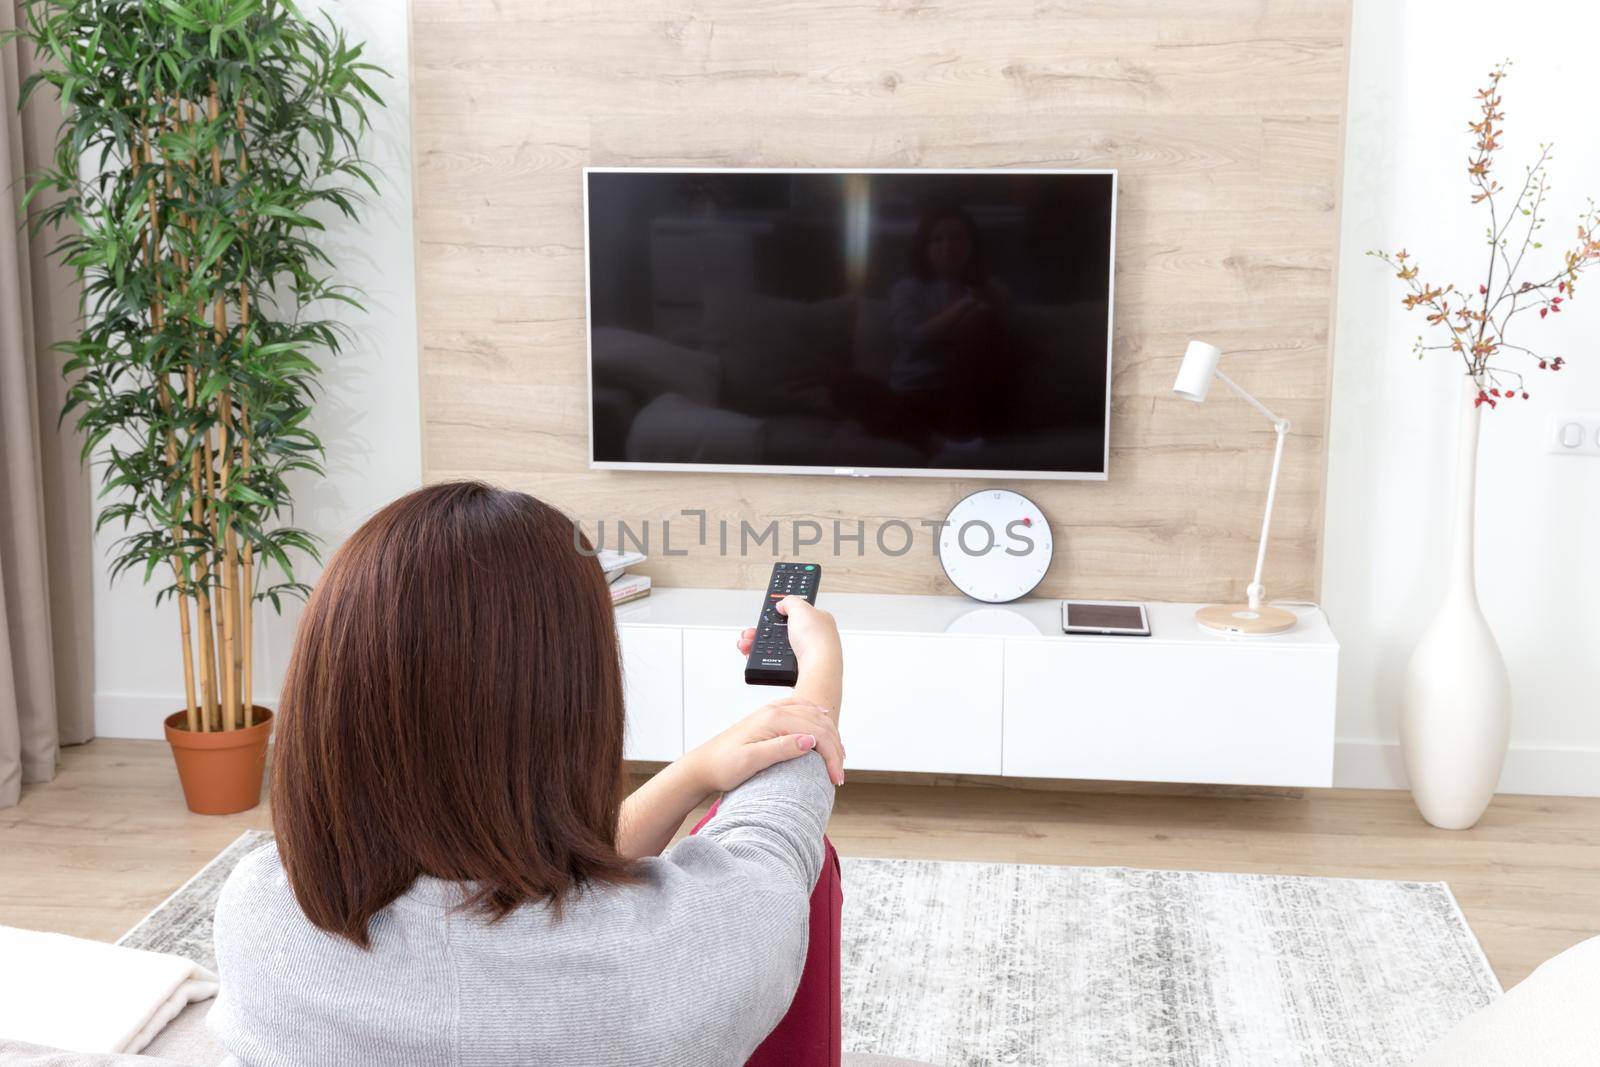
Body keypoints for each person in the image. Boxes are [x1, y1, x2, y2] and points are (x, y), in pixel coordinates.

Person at [207, 482, 848, 1066]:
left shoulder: (263, 916)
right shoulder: (679, 954)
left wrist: (692, 774)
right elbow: (775, 839)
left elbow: (499, 882)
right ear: (574, 703)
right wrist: (819, 661)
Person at [886, 205, 1018, 445]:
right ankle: (937, 442)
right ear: (925, 248)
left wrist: (987, 301)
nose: (948, 246)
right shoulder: (906, 289)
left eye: (957, 237)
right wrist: (967, 303)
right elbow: (913, 341)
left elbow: (1007, 343)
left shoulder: (992, 290)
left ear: (971, 245)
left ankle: (956, 438)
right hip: (911, 393)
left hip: (961, 398)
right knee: (843, 385)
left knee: (982, 322)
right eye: (937, 239)